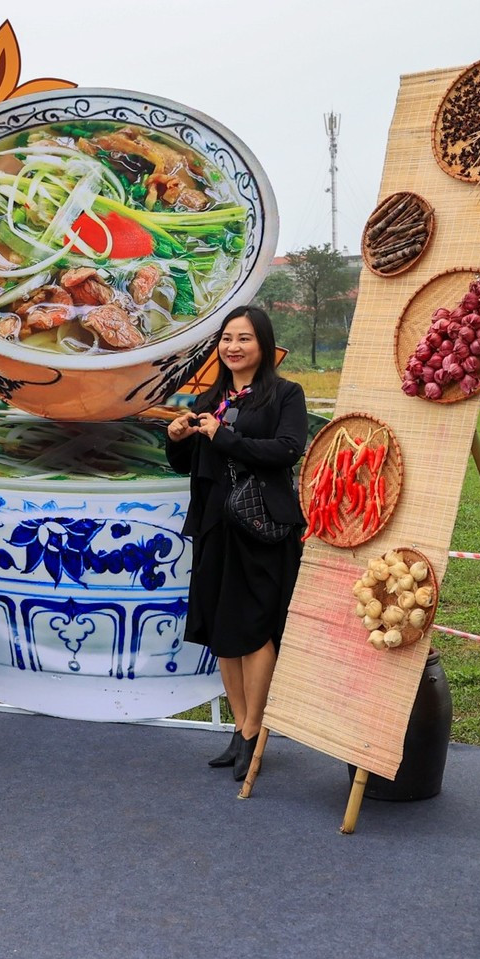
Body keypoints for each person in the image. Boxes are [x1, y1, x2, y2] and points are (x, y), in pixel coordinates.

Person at [164, 306, 306, 781]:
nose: (233, 347)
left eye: (244, 338)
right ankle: (241, 731)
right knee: (223, 632)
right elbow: (188, 465)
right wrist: (178, 437)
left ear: (263, 345)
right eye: (227, 339)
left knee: (256, 629)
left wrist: (223, 436)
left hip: (262, 529)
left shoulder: (285, 394)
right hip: (214, 526)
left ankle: (253, 730)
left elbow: (287, 450)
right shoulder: (210, 397)